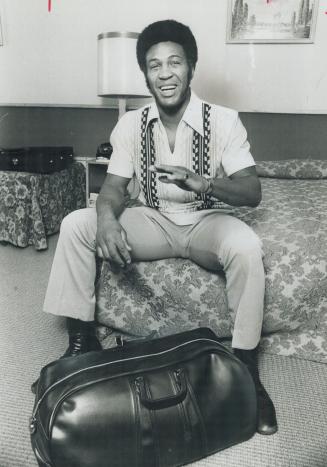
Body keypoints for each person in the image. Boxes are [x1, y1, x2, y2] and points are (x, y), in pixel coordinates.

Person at [43, 19, 277, 435]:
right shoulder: (131, 125)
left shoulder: (224, 120)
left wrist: (203, 182)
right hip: (153, 220)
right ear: (146, 74)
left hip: (207, 222)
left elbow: (252, 191)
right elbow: (114, 188)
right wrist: (106, 219)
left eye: (175, 63)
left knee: (246, 246)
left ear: (191, 68)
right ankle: (82, 341)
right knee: (77, 223)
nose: (165, 73)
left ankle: (246, 373)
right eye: (154, 65)